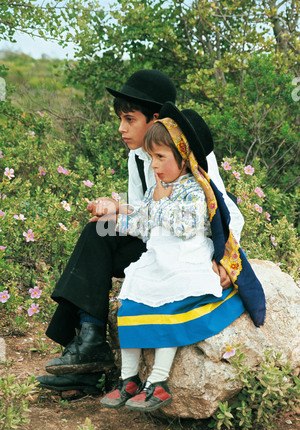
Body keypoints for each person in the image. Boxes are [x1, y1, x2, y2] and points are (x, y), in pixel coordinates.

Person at [37, 70, 244, 393]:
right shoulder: (137, 156)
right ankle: (88, 343)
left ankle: (86, 358)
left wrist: (228, 263)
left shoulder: (192, 151)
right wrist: (116, 209)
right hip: (156, 240)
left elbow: (227, 211)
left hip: (186, 247)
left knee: (101, 235)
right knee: (98, 230)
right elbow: (144, 211)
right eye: (120, 119)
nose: (121, 128)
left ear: (156, 119)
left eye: (129, 119)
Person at [100, 102, 266, 412]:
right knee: (130, 303)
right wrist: (112, 220)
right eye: (151, 158)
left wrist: (159, 204)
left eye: (160, 157)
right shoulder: (158, 189)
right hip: (159, 261)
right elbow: (143, 223)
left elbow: (185, 225)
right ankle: (129, 378)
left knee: (169, 311)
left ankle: (158, 382)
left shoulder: (195, 189)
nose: (154, 166)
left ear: (183, 155)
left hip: (186, 263)